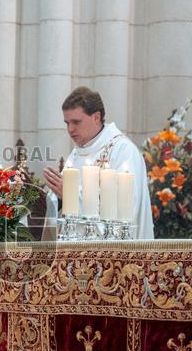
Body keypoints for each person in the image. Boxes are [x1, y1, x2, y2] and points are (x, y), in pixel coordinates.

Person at [42, 86, 154, 239]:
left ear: (96, 117)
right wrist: (58, 197)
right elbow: (61, 206)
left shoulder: (123, 151)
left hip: (111, 250)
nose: (70, 129)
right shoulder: (76, 154)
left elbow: (125, 210)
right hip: (72, 248)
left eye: (76, 122)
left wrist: (71, 195)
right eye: (67, 123)